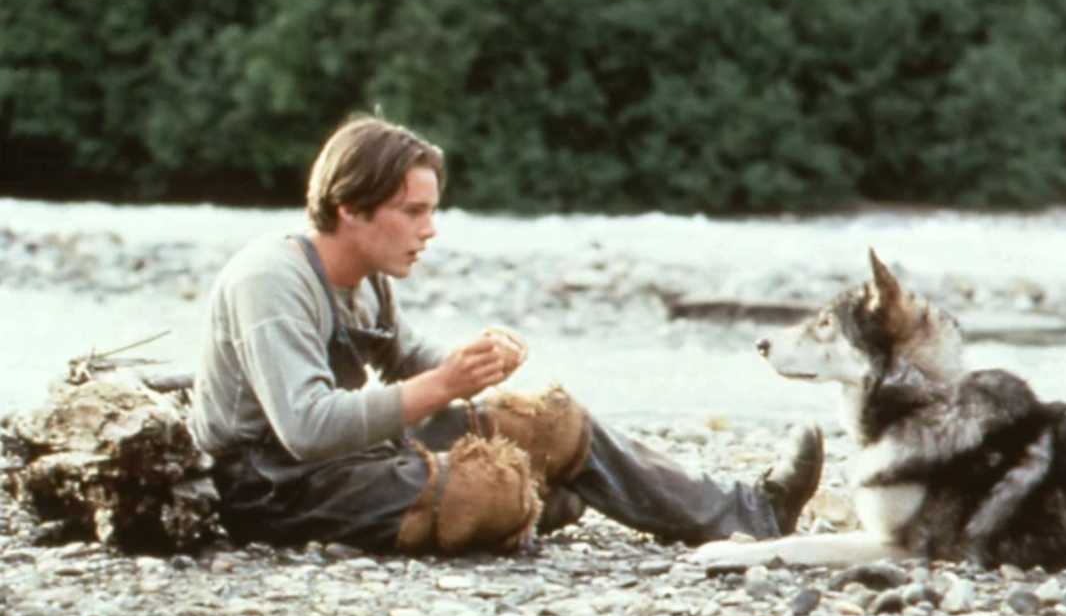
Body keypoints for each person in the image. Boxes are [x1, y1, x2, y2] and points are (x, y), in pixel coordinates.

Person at [187, 115, 822, 555]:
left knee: (555, 423)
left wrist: (475, 363)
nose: (430, 229)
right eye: (414, 212)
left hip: (345, 457)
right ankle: (539, 502)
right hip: (271, 486)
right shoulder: (270, 281)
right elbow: (306, 427)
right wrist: (442, 386)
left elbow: (406, 355)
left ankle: (750, 512)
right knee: (490, 492)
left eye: (431, 210)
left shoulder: (365, 274)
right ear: (350, 208)